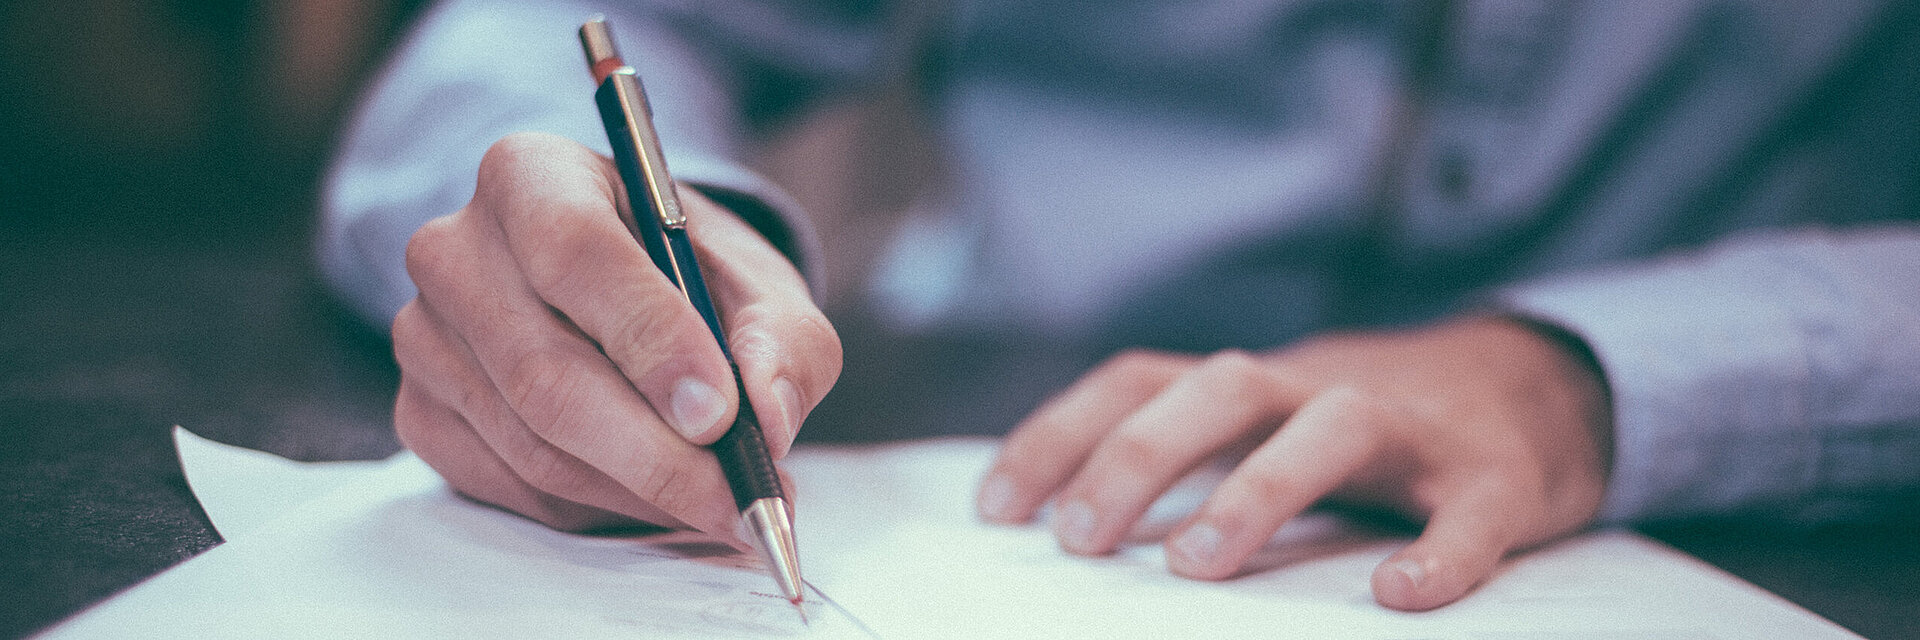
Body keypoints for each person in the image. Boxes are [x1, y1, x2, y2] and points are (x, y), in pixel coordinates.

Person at [320, 0, 1920, 612]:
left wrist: (1588, 374)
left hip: (1743, 509)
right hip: (989, 448)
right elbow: (584, 23)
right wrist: (632, 251)